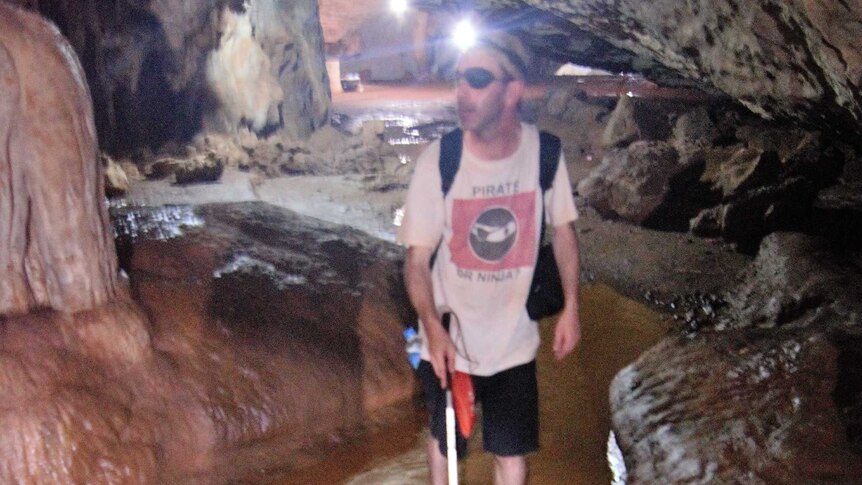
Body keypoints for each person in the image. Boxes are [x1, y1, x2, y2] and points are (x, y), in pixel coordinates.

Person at [398, 30, 582, 485]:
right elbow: (416, 261)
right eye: (459, 79)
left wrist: (573, 306)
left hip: (513, 342)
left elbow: (563, 233)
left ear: (512, 89)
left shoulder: (545, 155)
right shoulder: (439, 161)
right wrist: (430, 325)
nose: (463, 92)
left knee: (511, 454)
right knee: (446, 444)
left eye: (477, 79)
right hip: (448, 337)